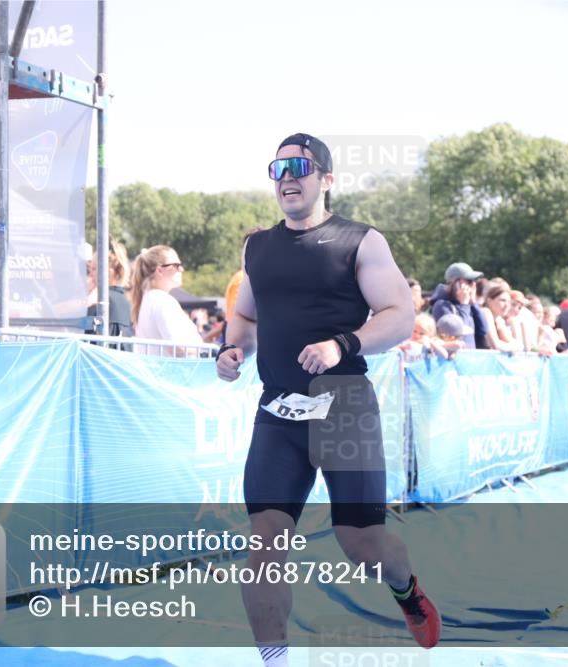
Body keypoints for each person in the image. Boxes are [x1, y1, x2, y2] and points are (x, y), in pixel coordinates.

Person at [216, 133, 441, 666]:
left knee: (362, 546)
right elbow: (244, 314)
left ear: (327, 179)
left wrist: (342, 345)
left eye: (299, 167)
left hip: (344, 407)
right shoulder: (257, 247)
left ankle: (406, 589)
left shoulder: (360, 241)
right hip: (279, 411)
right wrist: (231, 348)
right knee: (264, 545)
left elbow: (399, 316)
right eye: (278, 169)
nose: (287, 178)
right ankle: (275, 661)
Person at [130, 245, 203, 355]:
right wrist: (200, 347)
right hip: (172, 365)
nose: (181, 269)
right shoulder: (162, 301)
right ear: (159, 270)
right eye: (176, 265)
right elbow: (178, 347)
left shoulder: (148, 299)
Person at [428, 262, 491, 350]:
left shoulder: (467, 305)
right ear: (456, 283)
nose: (473, 285)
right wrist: (463, 304)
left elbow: (483, 330)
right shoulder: (441, 306)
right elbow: (460, 334)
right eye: (469, 281)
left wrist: (473, 303)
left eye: (474, 281)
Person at [85, 239, 134, 346]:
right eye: (90, 269)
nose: (91, 274)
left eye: (94, 269)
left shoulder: (105, 300)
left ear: (110, 270)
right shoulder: (122, 298)